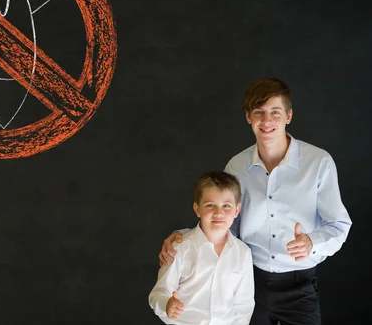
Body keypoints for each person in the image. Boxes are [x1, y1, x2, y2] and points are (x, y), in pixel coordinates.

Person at [158, 78, 352, 325]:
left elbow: (339, 224)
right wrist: (182, 235)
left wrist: (311, 242)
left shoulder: (319, 162)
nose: (267, 121)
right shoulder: (236, 166)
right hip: (249, 282)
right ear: (248, 117)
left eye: (275, 112)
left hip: (300, 285)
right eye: (258, 112)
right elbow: (225, 223)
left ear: (288, 116)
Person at [149, 171, 255, 324]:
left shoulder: (243, 253)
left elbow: (243, 304)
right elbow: (158, 293)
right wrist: (166, 305)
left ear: (236, 210)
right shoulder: (180, 249)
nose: (219, 213)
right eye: (210, 205)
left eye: (226, 205)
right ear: (197, 209)